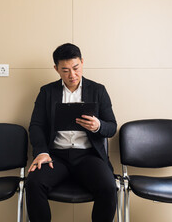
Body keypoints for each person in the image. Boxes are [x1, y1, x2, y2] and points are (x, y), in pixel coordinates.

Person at [26, 43, 117, 222]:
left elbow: (112, 127)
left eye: (76, 68)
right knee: (33, 183)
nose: (72, 75)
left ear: (82, 62)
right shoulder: (47, 92)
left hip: (88, 156)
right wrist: (42, 152)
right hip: (55, 156)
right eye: (65, 70)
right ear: (56, 69)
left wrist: (98, 126)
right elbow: (36, 126)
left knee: (108, 186)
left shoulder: (98, 90)